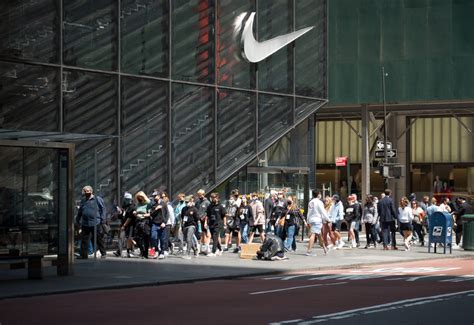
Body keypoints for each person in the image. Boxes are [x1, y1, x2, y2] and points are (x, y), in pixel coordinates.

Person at [75, 185, 107, 259]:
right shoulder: (83, 200)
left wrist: (102, 220)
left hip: (95, 222)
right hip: (85, 223)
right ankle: (83, 255)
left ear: (91, 191)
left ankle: (103, 253)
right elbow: (80, 211)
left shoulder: (97, 199)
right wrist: (78, 219)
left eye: (88, 191)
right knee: (84, 240)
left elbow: (103, 209)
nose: (86, 192)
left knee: (98, 239)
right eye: (85, 191)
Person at [306, 190, 328, 256]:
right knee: (313, 234)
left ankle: (325, 249)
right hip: (317, 220)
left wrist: (308, 220)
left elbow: (308, 212)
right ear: (318, 194)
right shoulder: (319, 202)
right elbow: (323, 211)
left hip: (312, 220)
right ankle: (309, 251)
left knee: (319, 235)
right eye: (320, 193)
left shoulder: (310, 202)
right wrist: (328, 219)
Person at [114, 192, 136, 257]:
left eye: (128, 199)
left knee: (129, 238)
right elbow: (122, 216)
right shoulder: (124, 207)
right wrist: (120, 213)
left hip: (130, 225)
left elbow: (130, 217)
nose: (126, 201)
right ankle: (119, 251)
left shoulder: (132, 207)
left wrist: (124, 225)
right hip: (124, 224)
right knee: (121, 237)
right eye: (125, 199)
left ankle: (130, 251)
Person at [150, 192, 170, 259]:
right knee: (153, 237)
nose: (154, 197)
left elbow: (167, 214)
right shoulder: (153, 205)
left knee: (162, 239)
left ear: (158, 196)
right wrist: (156, 209)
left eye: (155, 196)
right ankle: (156, 250)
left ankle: (162, 252)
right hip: (155, 224)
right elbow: (151, 214)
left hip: (162, 224)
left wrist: (164, 222)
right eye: (153, 196)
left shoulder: (164, 204)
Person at [134, 191, 152, 258]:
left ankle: (145, 253)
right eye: (138, 197)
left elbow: (150, 214)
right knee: (137, 238)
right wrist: (135, 213)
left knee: (145, 238)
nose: (139, 198)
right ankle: (142, 250)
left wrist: (143, 215)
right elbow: (136, 211)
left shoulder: (148, 204)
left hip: (145, 222)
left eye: (140, 197)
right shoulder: (138, 204)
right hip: (138, 221)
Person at [195, 189, 211, 255]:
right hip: (199, 220)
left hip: (205, 220)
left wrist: (205, 219)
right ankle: (201, 248)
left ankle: (207, 249)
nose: (199, 196)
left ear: (203, 194)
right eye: (198, 195)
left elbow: (208, 212)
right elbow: (196, 210)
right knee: (202, 234)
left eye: (200, 195)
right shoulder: (198, 202)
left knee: (207, 234)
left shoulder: (207, 202)